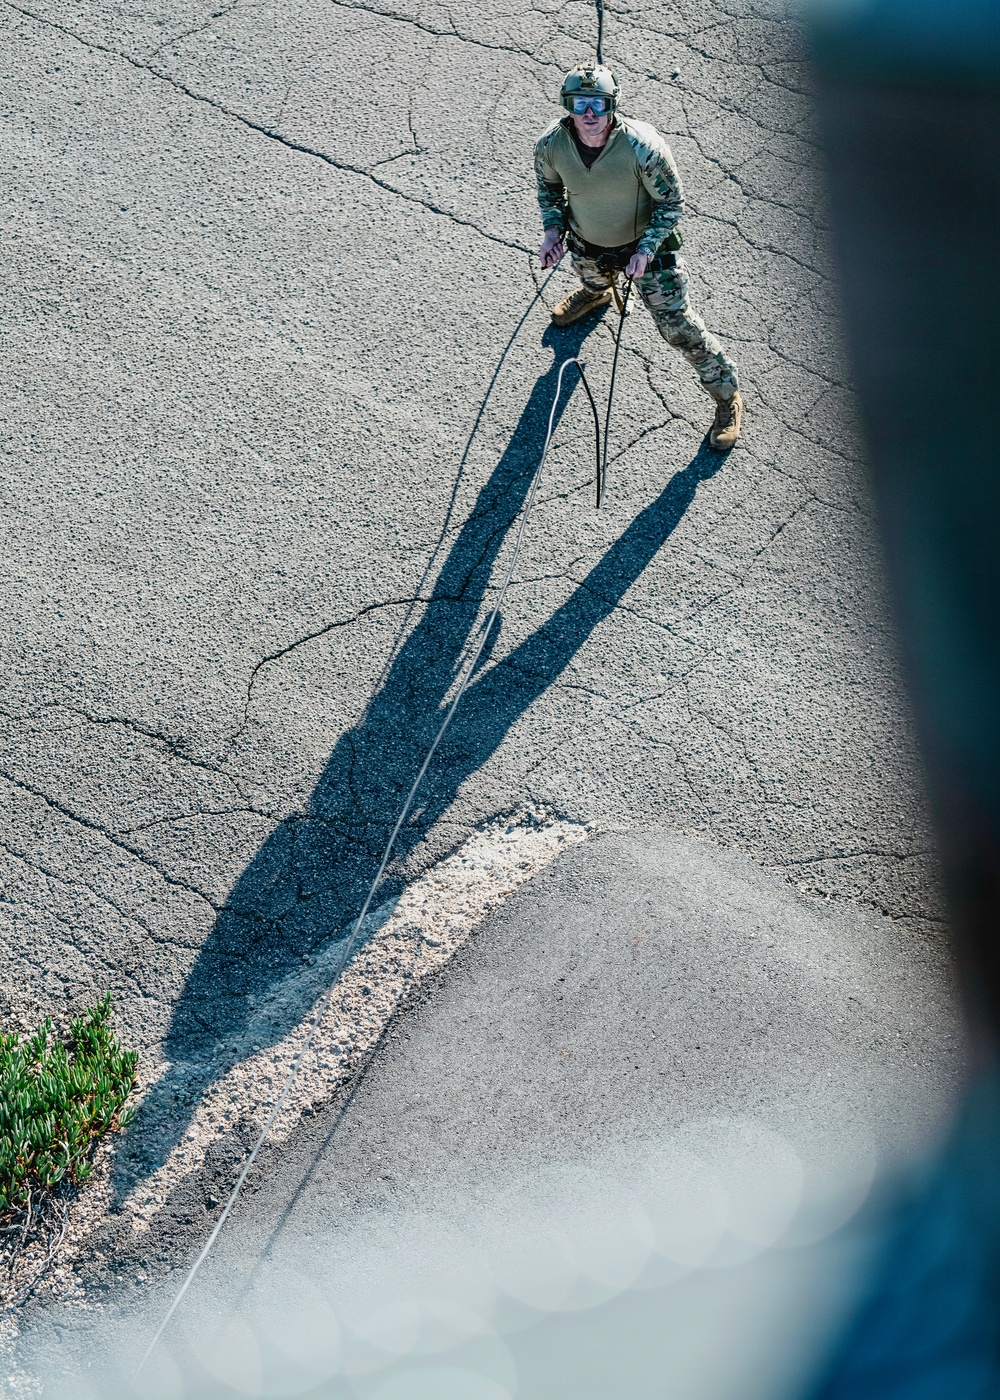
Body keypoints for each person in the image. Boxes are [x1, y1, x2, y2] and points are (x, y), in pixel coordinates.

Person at [534, 64, 743, 451]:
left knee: (679, 328)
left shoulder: (642, 147)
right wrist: (552, 231)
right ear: (568, 105)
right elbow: (549, 190)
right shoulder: (551, 145)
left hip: (645, 252)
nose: (589, 113)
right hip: (587, 245)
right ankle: (596, 293)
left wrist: (646, 250)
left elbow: (671, 203)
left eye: (598, 103)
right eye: (580, 104)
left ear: (612, 105)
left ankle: (726, 397)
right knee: (591, 277)